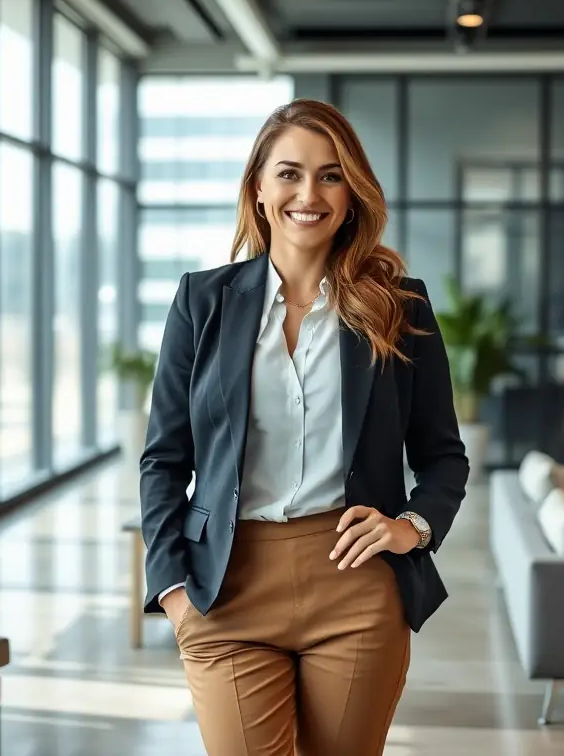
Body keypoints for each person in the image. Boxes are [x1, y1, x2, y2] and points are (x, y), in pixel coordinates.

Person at [139, 98, 469, 756]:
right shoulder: (201, 301)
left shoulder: (400, 308)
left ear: (352, 194)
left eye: (330, 176)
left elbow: (443, 456)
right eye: (289, 173)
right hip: (226, 586)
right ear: (259, 189)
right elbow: (164, 460)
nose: (308, 194)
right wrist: (173, 588)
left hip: (355, 584)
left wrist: (411, 527)